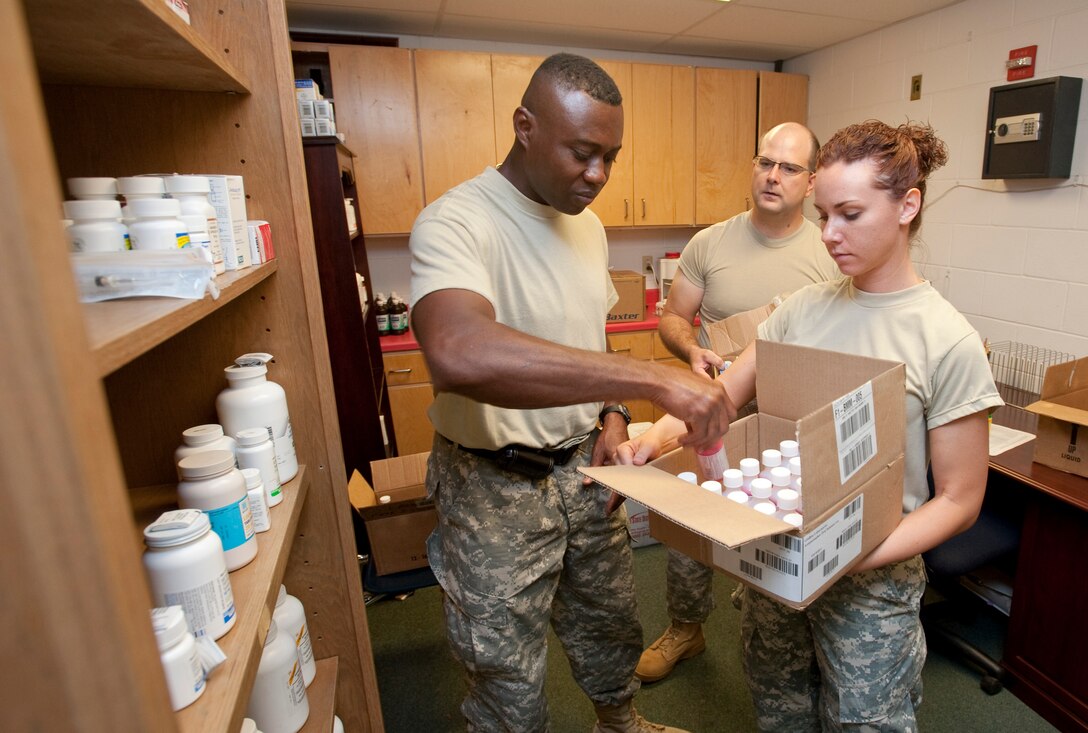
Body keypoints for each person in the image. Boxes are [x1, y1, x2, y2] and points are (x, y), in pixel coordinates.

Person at [616, 120, 1003, 730]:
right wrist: (655, 438)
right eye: (824, 216)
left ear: (908, 205)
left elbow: (960, 498)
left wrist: (851, 555)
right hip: (779, 554)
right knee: (780, 705)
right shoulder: (803, 310)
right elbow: (722, 397)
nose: (830, 235)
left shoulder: (944, 339)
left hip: (872, 576)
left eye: (849, 214)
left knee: (862, 720)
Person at [409, 53, 730, 733]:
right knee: (505, 670)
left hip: (584, 471)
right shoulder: (457, 222)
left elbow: (587, 344)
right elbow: (457, 349)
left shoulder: (585, 224)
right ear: (525, 125)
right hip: (495, 485)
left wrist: (613, 415)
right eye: (583, 153)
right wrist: (648, 379)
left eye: (611, 157)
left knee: (609, 624)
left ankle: (619, 723)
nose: (599, 176)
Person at [638, 121, 840, 683]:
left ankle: (775, 618)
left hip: (792, 416)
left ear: (812, 180)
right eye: (764, 162)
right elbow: (673, 319)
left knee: (780, 530)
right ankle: (686, 627)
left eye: (789, 167)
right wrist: (691, 351)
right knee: (690, 519)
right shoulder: (711, 243)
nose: (773, 176)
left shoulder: (830, 251)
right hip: (717, 405)